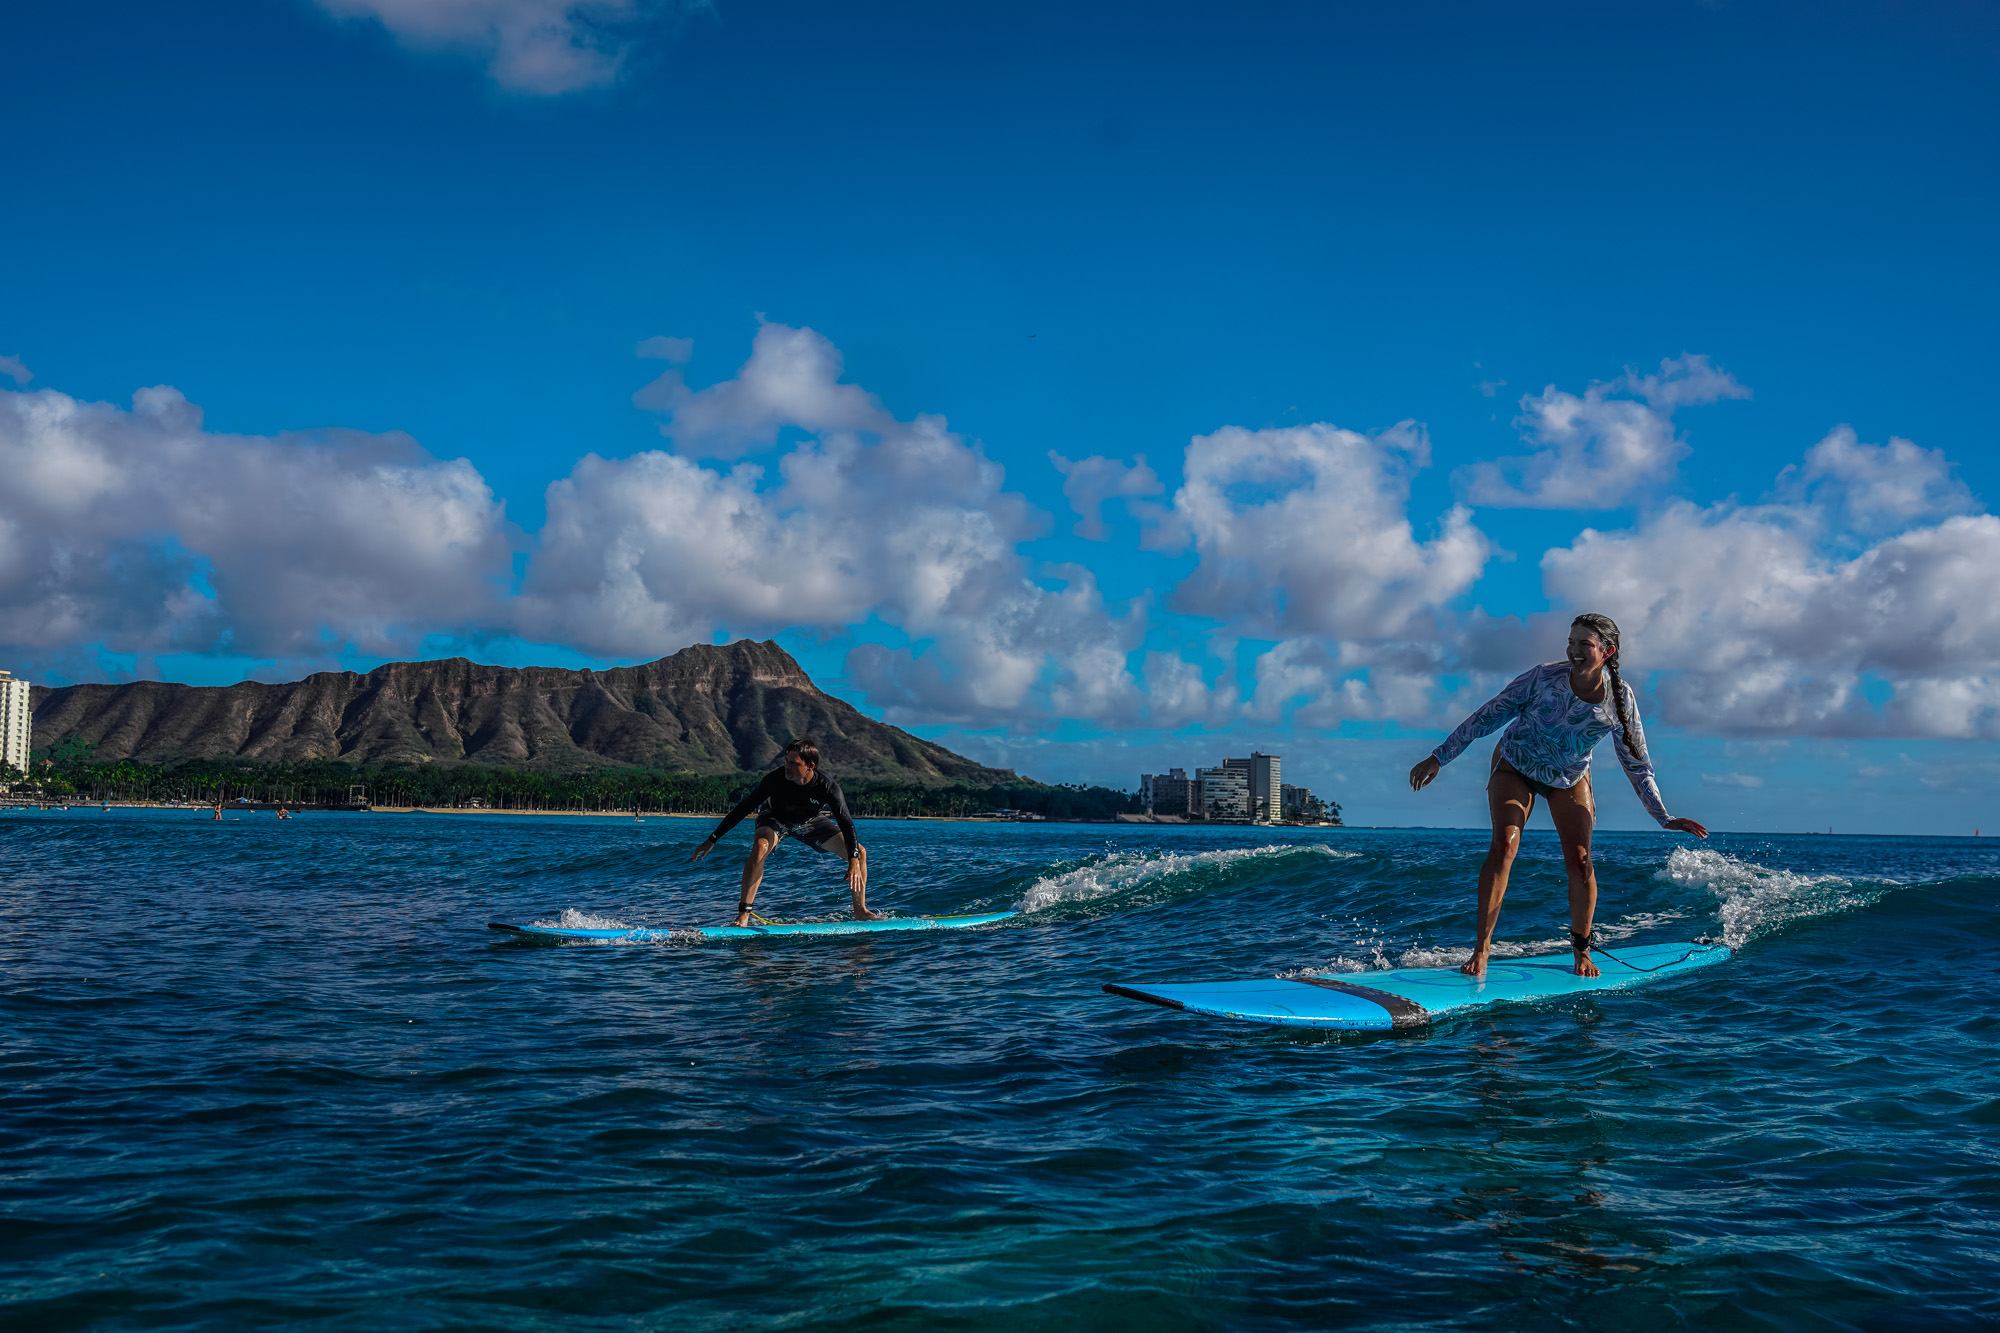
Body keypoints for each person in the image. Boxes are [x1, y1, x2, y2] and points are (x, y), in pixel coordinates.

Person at [1408, 613, 1709, 979]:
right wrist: (1440, 756)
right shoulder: (1541, 678)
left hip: (1568, 777)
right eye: (1571, 642)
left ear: (1607, 651)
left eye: (1585, 644)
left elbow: (1637, 763)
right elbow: (1486, 716)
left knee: (1581, 860)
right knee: (1504, 844)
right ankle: (1482, 949)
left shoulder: (1619, 700)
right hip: (1515, 763)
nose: (1574, 650)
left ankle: (1582, 952)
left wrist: (1663, 816)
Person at [690, 738, 878, 926]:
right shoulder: (775, 779)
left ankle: (860, 911)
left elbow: (846, 823)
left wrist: (852, 861)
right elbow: (744, 807)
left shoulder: (827, 787)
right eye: (786, 761)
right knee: (760, 846)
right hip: (774, 818)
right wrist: (713, 838)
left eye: (794, 763)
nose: (787, 767)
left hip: (809, 822)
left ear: (810, 766)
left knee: (859, 853)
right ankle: (743, 915)